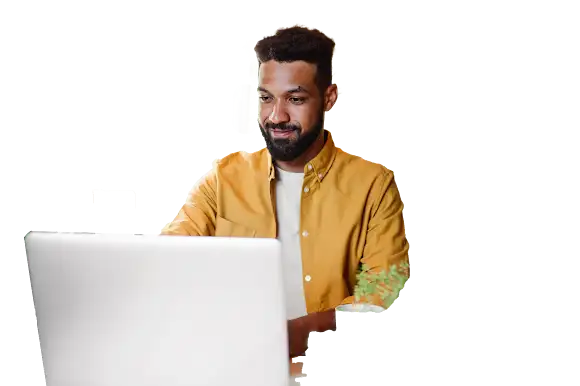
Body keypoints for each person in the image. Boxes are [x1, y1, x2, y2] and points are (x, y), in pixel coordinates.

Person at [160, 23, 409, 358]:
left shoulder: (373, 185)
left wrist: (296, 336)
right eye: (266, 98)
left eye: (295, 98)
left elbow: (386, 290)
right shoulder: (223, 178)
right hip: (228, 362)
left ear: (329, 98)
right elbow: (169, 263)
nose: (276, 116)